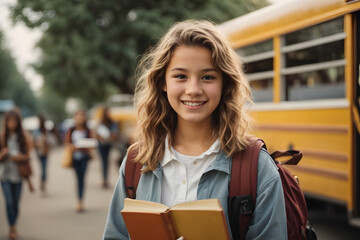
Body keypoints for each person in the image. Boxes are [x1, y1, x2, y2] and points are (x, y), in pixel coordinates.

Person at [103, 20, 287, 239]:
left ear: (224, 84)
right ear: (163, 82)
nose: (193, 90)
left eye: (208, 77)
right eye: (180, 76)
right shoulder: (136, 161)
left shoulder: (256, 166)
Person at [0, 109, 31, 240]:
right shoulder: (2, 137)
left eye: (14, 121)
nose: (12, 124)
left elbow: (28, 156)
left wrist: (20, 157)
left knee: (16, 203)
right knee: (9, 201)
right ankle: (12, 227)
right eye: (9, 121)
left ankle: (14, 224)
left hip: (18, 175)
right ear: (5, 122)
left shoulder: (23, 137)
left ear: (18, 122)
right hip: (4, 175)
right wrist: (3, 154)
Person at [65, 109, 93, 212]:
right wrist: (73, 147)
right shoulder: (71, 129)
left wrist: (83, 147)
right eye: (78, 116)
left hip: (84, 157)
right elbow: (67, 143)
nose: (80, 118)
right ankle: (79, 199)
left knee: (82, 179)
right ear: (75, 118)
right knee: (78, 179)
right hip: (74, 158)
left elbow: (91, 143)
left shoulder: (87, 130)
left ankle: (80, 201)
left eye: (82, 116)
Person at [95, 107, 118, 189]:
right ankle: (104, 179)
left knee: (106, 162)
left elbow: (115, 134)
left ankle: (106, 179)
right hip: (101, 145)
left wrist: (111, 136)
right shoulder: (100, 123)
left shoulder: (112, 122)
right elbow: (96, 134)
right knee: (103, 161)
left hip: (108, 144)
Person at [33, 114, 56, 193]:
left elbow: (52, 142)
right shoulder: (36, 131)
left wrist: (46, 141)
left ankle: (43, 183)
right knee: (42, 169)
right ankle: (42, 182)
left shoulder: (46, 131)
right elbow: (33, 143)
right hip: (39, 153)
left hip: (45, 153)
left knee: (44, 170)